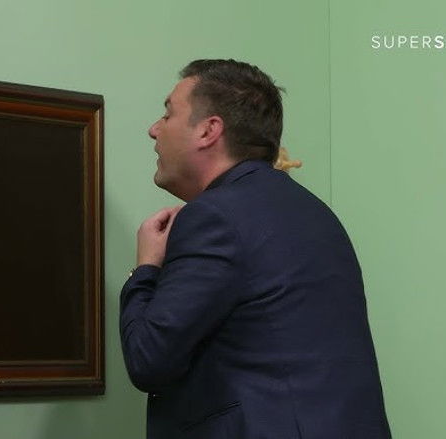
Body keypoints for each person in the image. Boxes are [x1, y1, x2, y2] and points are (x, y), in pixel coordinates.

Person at [119, 59, 390, 438]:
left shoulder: (213, 217)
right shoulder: (317, 213)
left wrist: (145, 268)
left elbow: (148, 360)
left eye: (168, 114)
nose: (154, 129)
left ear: (208, 130)